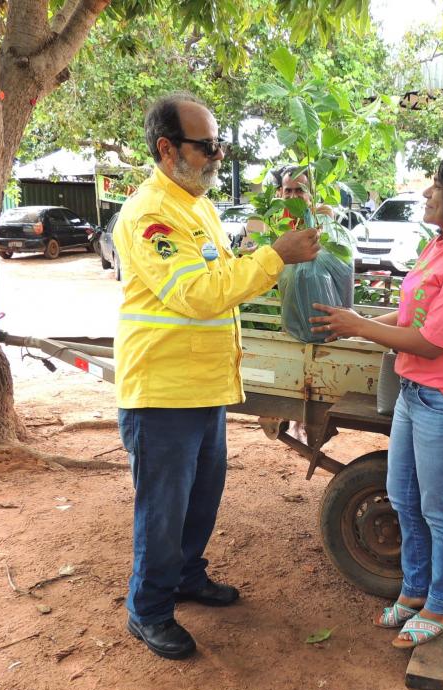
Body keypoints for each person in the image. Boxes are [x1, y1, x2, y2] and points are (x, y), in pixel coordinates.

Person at [113, 93, 320, 660]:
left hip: (202, 386)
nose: (218, 156)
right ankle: (149, 610)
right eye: (206, 146)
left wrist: (266, 250)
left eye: (219, 144)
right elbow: (197, 293)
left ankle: (186, 575)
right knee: (163, 511)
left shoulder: (196, 205)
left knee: (201, 498)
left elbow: (223, 272)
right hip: (162, 393)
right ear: (167, 149)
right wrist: (274, 257)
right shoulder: (151, 213)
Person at [309, 146, 443, 648]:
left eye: (438, 184)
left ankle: (441, 606)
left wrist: (359, 325)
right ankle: (415, 590)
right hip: (414, 393)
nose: (427, 191)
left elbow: (433, 342)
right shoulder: (441, 246)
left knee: (439, 509)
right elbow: (409, 319)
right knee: (403, 497)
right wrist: (353, 325)